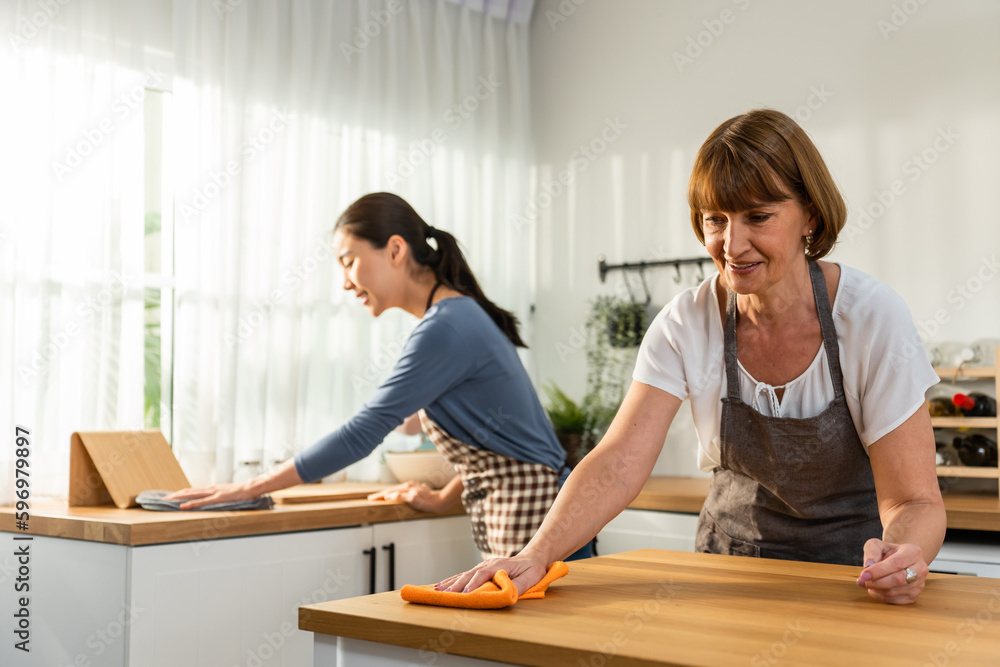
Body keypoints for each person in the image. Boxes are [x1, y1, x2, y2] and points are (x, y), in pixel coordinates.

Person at [440, 109, 946, 605]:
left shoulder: (871, 318)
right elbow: (619, 462)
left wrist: (901, 557)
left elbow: (913, 501)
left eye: (758, 217)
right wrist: (536, 553)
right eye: (715, 220)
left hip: (847, 585)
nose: (732, 243)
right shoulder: (687, 321)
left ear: (809, 214)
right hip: (725, 579)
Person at [166, 192, 592, 560]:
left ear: (394, 250)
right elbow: (502, 442)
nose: (346, 283)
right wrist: (443, 499)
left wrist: (251, 487)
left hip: (541, 521)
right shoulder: (454, 317)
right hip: (535, 514)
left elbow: (363, 433)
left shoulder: (447, 326)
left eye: (348, 262)